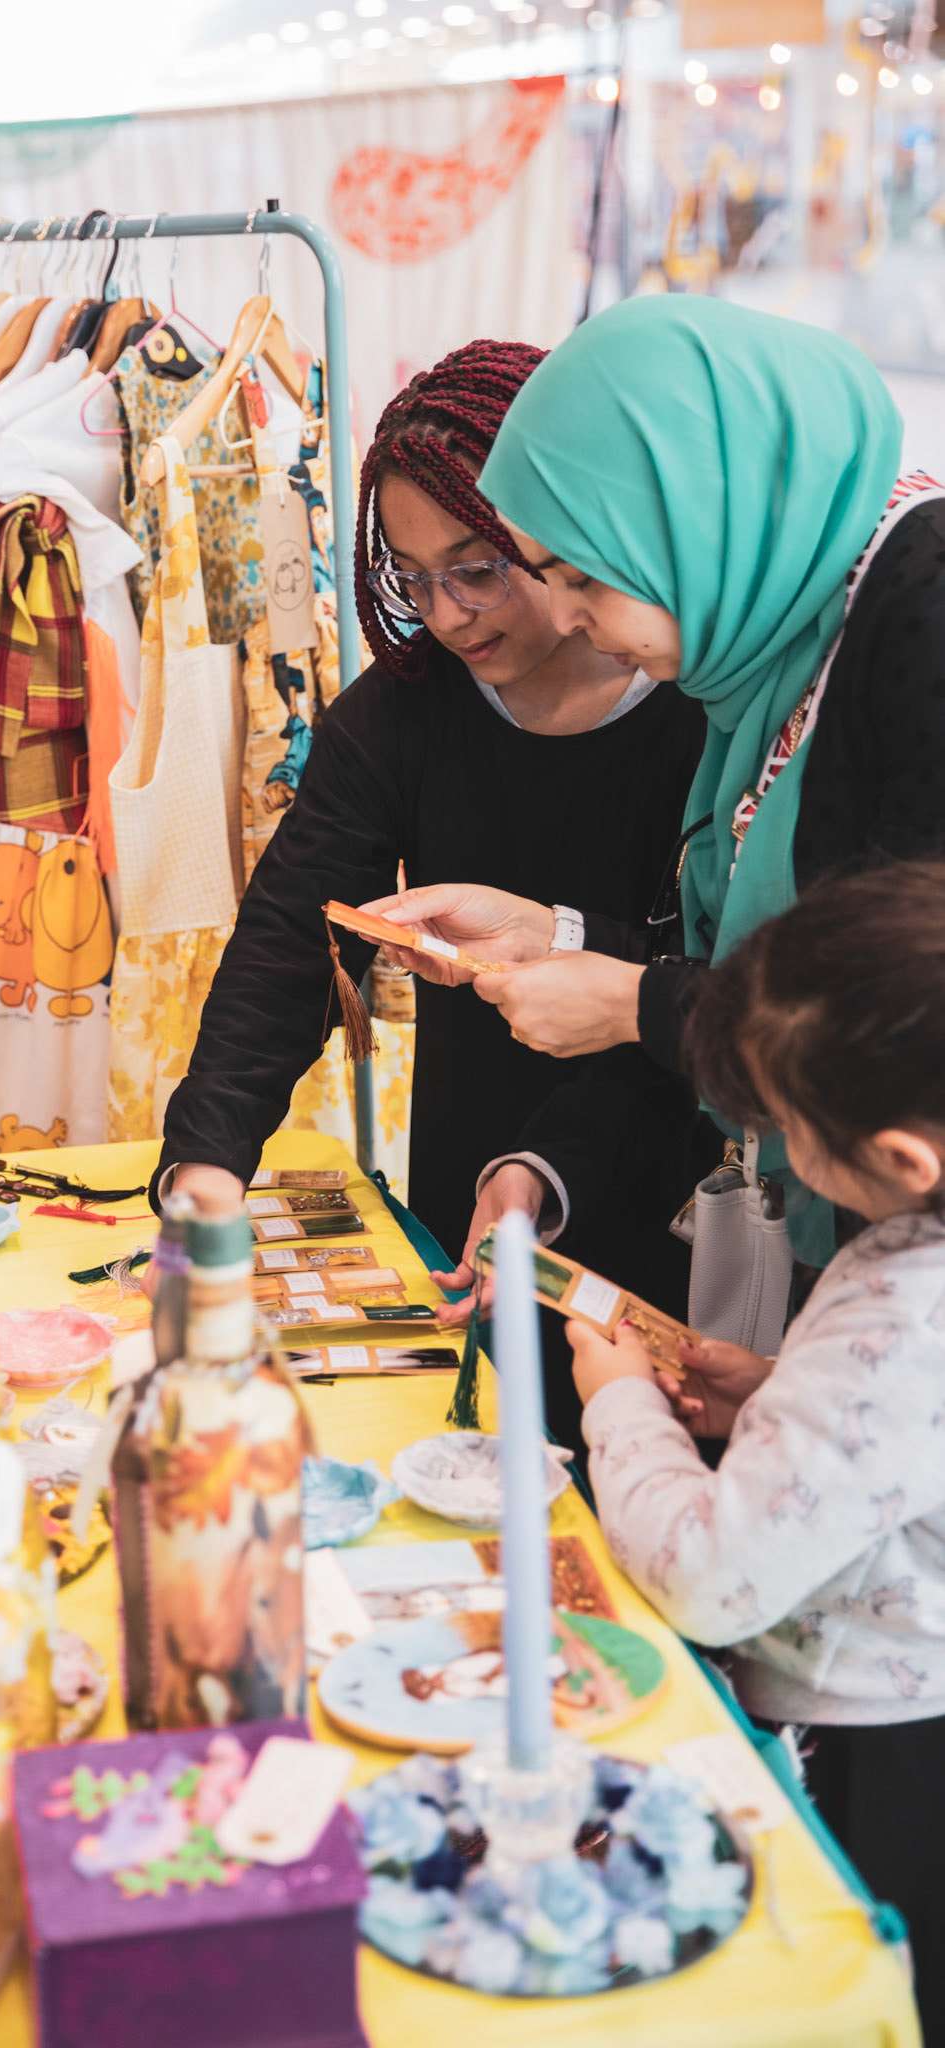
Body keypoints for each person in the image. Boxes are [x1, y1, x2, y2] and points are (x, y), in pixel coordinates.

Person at [153, 341, 708, 1442]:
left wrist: (549, 1162)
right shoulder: (403, 713)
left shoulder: (700, 710)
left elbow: (697, 974)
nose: (448, 612)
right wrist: (207, 1161)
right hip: (470, 1189)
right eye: (412, 578)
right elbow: (289, 945)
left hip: (668, 1186)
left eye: (477, 565)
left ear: (558, 529)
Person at [377, 294, 945, 1267]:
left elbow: (897, 1016)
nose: (565, 617)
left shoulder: (921, 622)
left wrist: (632, 1007)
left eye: (584, 577)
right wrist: (551, 935)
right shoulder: (779, 658)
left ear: (697, 517)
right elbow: (740, 966)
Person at [566, 861, 945, 2038]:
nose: (776, 1152)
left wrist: (618, 1398)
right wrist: (777, 1392)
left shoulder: (902, 1312)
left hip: (873, 1749)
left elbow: (711, 1576)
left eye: (786, 1129)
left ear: (899, 1159)